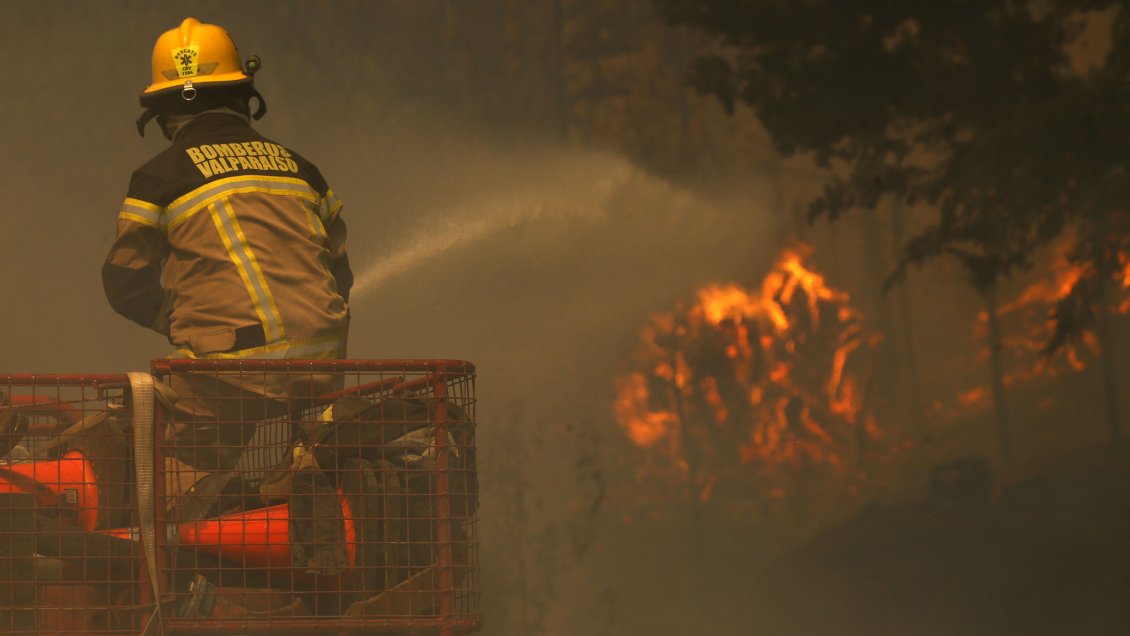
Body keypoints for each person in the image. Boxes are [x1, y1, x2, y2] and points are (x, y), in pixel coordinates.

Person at [102, 17, 353, 480]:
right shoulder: (303, 170)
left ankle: (189, 531)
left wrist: (183, 325)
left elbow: (124, 282)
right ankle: (287, 494)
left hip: (227, 373)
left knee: (155, 473)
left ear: (161, 113)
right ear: (244, 95)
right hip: (321, 369)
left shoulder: (160, 177)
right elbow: (341, 276)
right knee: (274, 456)